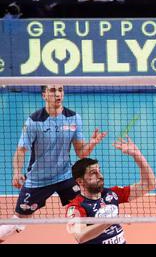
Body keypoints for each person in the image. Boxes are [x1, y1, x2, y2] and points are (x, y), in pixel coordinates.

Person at [0, 85, 107, 243]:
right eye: (52, 90)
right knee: (17, 222)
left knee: (89, 206)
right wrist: (17, 172)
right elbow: (21, 150)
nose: (58, 94)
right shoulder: (34, 121)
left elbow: (81, 153)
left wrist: (92, 143)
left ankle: (96, 238)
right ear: (44, 95)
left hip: (65, 177)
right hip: (37, 180)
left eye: (60, 90)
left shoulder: (73, 118)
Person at [66, 137, 156, 244]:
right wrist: (111, 220)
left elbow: (150, 184)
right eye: (93, 173)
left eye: (99, 171)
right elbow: (80, 236)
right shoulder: (76, 207)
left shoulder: (111, 194)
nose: (100, 176)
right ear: (80, 181)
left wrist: (137, 156)